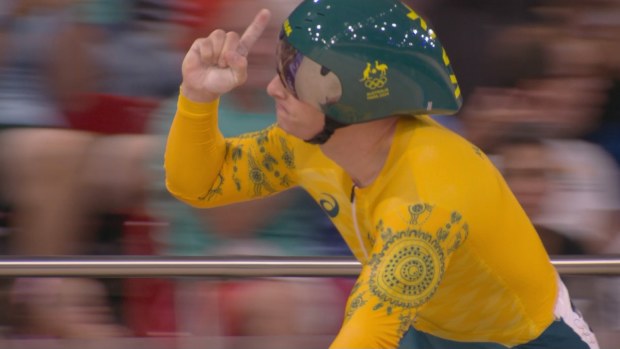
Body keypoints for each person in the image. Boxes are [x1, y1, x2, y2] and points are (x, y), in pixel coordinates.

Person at [164, 0, 600, 348]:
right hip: (429, 326)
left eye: (295, 73)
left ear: (356, 95)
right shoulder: (307, 144)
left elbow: (367, 336)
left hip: (524, 341)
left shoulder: (428, 199)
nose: (273, 86)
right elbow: (199, 184)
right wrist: (197, 98)